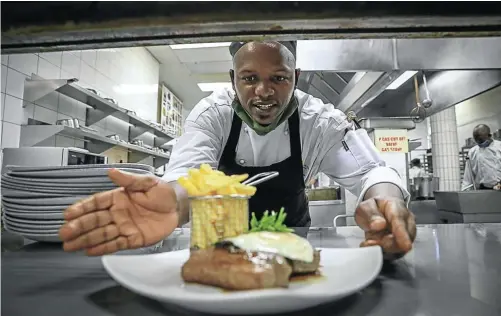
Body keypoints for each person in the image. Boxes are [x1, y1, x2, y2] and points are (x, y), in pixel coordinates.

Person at [58, 41, 416, 260]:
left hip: (291, 250)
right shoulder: (211, 114)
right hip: (219, 249)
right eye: (249, 78)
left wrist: (388, 202)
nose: (263, 91)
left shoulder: (318, 120)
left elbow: (372, 173)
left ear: (297, 76)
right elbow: (187, 176)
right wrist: (172, 201)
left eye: (278, 78)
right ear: (232, 80)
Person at [461, 124, 501, 190]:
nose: (479, 143)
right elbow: (468, 176)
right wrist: (465, 191)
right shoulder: (472, 152)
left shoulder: (499, 147)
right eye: (477, 140)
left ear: (489, 136)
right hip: (482, 190)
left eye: (481, 140)